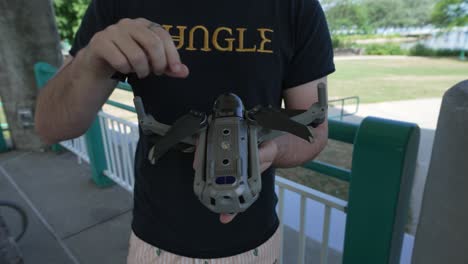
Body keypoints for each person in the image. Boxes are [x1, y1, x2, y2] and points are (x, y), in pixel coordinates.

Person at [35, 0, 335, 262]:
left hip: (256, 246)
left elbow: (313, 130)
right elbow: (48, 126)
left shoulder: (296, 6)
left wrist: (269, 149)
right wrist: (90, 63)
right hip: (156, 245)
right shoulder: (118, 4)